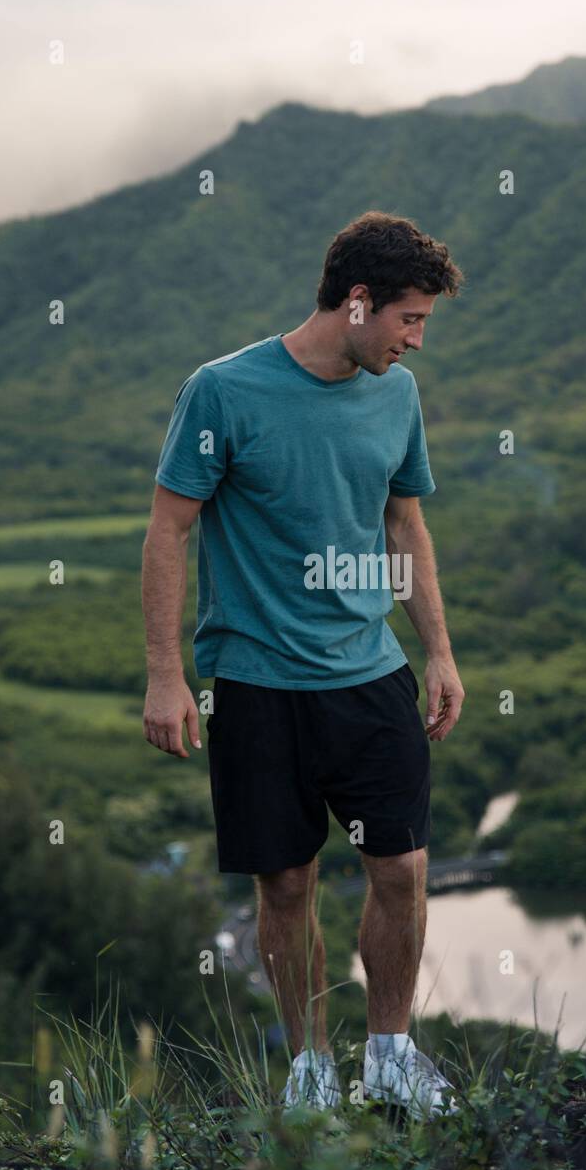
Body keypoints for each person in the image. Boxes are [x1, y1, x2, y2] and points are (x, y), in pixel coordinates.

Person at [142, 210, 466, 1119]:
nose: (414, 341)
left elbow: (405, 524)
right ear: (357, 303)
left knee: (399, 868)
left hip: (369, 674)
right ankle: (313, 1069)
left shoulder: (395, 396)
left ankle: (392, 1056)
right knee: (285, 884)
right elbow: (169, 529)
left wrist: (438, 651)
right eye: (410, 319)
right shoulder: (223, 391)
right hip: (255, 681)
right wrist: (167, 675)